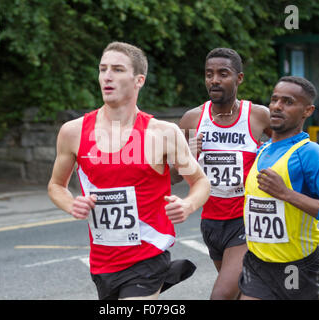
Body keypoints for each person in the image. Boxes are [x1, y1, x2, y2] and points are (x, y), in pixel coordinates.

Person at [47, 42, 210, 300]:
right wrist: (71, 204)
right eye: (103, 69)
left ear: (138, 80)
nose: (107, 76)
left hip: (148, 256)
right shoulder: (73, 132)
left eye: (118, 69)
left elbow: (200, 181)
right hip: (102, 261)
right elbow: (56, 185)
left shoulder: (163, 133)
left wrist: (188, 205)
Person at [239, 76, 319, 300]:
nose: (277, 106)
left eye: (288, 102)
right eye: (274, 100)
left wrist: (286, 194)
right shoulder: (262, 150)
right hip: (258, 264)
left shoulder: (311, 154)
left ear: (307, 111)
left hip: (297, 269)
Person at [171, 48, 271, 300]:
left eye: (223, 74)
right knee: (239, 292)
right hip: (211, 222)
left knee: (221, 295)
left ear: (239, 78)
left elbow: (292, 150)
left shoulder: (258, 116)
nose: (214, 80)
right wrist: (185, 158)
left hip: (246, 220)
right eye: (209, 74)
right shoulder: (192, 119)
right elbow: (169, 178)